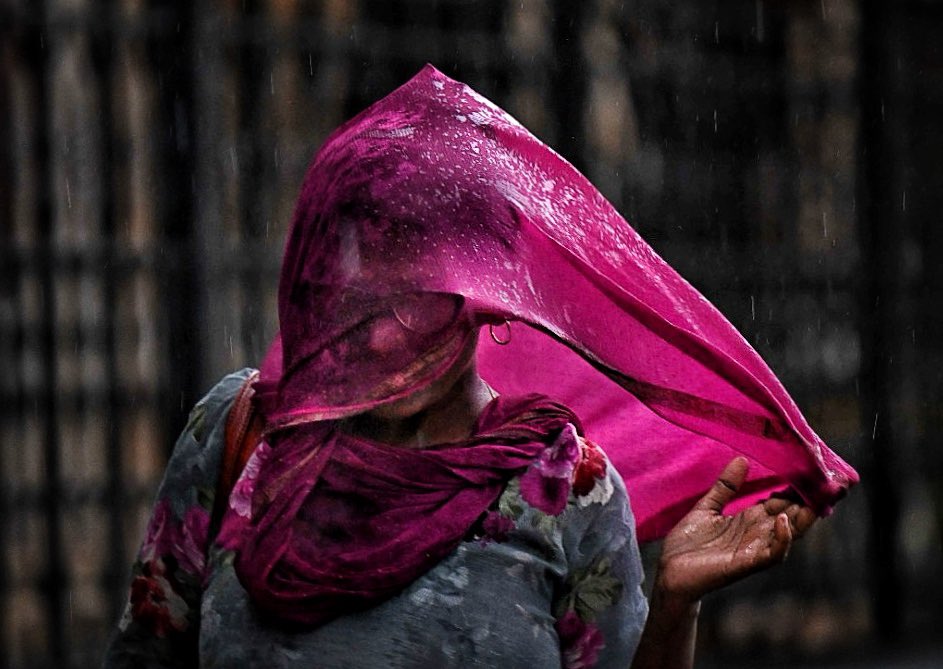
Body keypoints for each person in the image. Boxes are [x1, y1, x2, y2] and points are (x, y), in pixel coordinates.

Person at [103, 66, 855, 668]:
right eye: (356, 290)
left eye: (417, 293)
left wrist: (674, 604)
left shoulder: (569, 489)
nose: (380, 332)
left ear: (486, 298)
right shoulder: (241, 433)